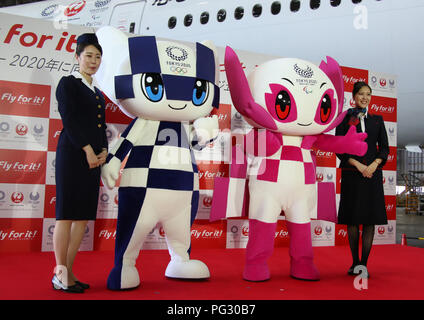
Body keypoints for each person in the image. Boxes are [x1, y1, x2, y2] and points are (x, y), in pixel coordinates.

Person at [52, 33, 107, 293]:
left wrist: (104, 150)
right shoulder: (68, 84)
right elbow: (69, 120)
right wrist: (87, 149)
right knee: (66, 217)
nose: (93, 61)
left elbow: (101, 126)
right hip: (73, 155)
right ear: (77, 57)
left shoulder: (96, 92)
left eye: (97, 56)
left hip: (94, 158)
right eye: (88, 55)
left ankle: (69, 273)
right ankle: (59, 273)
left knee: (82, 218)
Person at [336, 81, 389, 278]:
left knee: (369, 221)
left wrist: (374, 165)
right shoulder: (346, 118)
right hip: (352, 173)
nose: (365, 98)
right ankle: (354, 262)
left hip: (372, 175)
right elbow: (340, 147)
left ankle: (364, 264)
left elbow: (384, 148)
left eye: (368, 94)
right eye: (361, 94)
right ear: (354, 97)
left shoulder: (378, 120)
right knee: (352, 220)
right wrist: (358, 166)